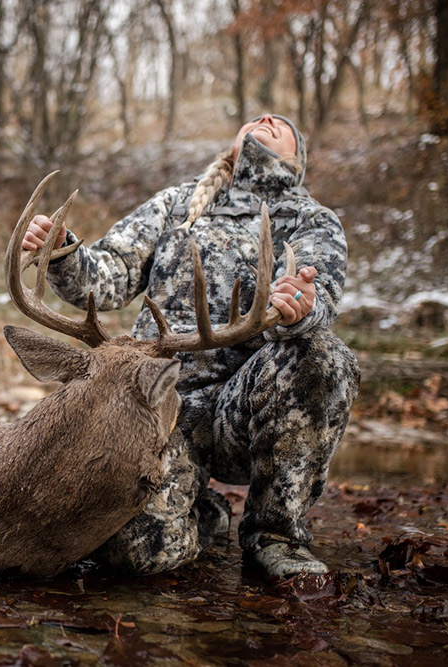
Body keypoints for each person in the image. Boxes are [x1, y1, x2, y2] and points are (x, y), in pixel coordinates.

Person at [22, 114, 360, 578]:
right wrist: (62, 251)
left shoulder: (312, 220)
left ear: (297, 158)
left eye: (280, 124)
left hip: (244, 409)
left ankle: (276, 534)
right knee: (134, 551)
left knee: (324, 357)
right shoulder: (179, 202)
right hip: (158, 403)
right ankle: (204, 513)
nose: (265, 118)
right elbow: (108, 275)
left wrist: (302, 305)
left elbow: (318, 296)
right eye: (257, 119)